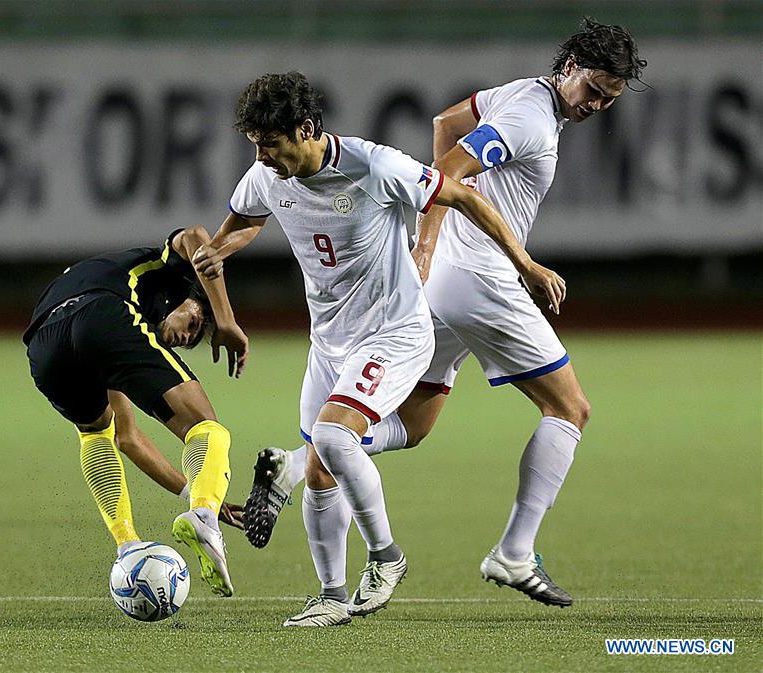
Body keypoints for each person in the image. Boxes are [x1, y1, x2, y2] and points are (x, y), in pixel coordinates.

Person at [230, 19, 647, 609]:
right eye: (596, 88)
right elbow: (451, 169)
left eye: (611, 98)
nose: (598, 104)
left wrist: (432, 246)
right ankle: (514, 552)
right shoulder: (530, 117)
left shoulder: (520, 94)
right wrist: (435, 238)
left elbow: (445, 123)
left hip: (438, 288)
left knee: (414, 426)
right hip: (479, 276)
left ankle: (301, 464)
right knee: (570, 408)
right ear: (571, 66)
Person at [194, 71, 563, 626]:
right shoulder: (268, 175)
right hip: (328, 340)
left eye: (272, 145)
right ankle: (332, 597)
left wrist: (525, 263)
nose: (264, 157)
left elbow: (462, 194)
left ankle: (388, 558)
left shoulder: (373, 165)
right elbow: (245, 221)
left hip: (394, 332)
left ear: (307, 128)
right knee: (319, 471)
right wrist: (221, 251)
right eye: (256, 147)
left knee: (334, 437)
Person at [23, 226, 249, 597]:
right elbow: (195, 235)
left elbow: (127, 439)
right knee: (207, 428)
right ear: (189, 296)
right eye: (192, 323)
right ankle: (204, 517)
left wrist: (196, 489)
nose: (184, 338)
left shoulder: (123, 313)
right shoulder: (166, 270)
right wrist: (224, 318)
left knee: (98, 431)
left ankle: (127, 544)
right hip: (101, 310)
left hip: (44, 346)